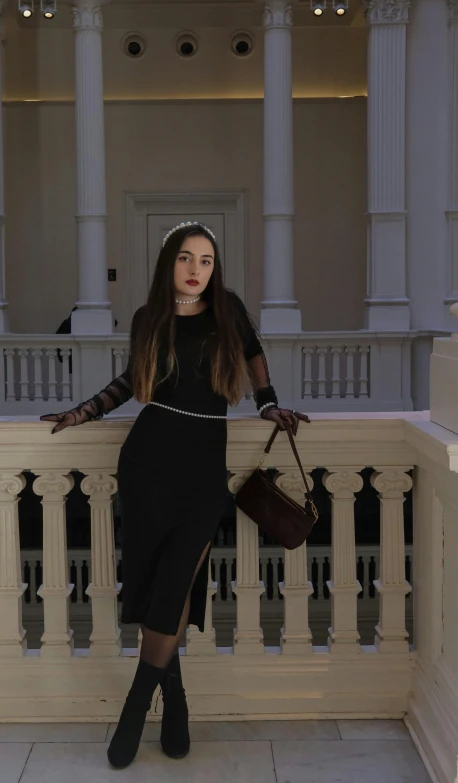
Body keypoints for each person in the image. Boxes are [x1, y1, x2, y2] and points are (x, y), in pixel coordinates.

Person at [40, 221, 310, 769]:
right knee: (158, 583)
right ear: (170, 263)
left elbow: (255, 357)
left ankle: (135, 709)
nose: (197, 269)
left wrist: (268, 403)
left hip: (202, 468)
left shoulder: (228, 310)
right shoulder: (149, 319)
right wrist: (83, 411)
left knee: (178, 581)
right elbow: (130, 382)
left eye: (206, 260)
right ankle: (176, 700)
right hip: (146, 462)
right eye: (187, 258)